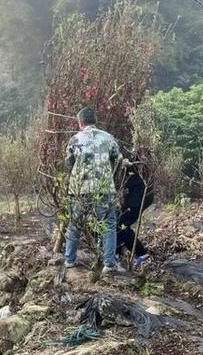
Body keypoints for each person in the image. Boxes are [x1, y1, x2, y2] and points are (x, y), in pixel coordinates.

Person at [63, 107, 122, 275]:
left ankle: (69, 260)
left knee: (75, 225)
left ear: (80, 122)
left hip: (80, 190)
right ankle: (109, 264)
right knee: (109, 226)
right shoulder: (108, 138)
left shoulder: (74, 139)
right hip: (104, 188)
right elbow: (118, 159)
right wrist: (111, 177)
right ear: (95, 121)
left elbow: (68, 163)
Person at [117, 157, 154, 267]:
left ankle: (140, 253)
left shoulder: (136, 158)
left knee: (121, 225)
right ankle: (125, 252)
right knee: (120, 225)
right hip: (136, 195)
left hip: (138, 197)